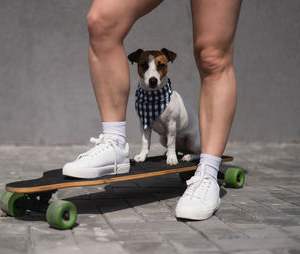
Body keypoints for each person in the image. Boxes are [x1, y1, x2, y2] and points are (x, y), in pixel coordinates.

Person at [63, 0, 242, 220]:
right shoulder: (144, 97)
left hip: (185, 140)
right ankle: (115, 142)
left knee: (211, 54)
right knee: (102, 21)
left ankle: (207, 172)